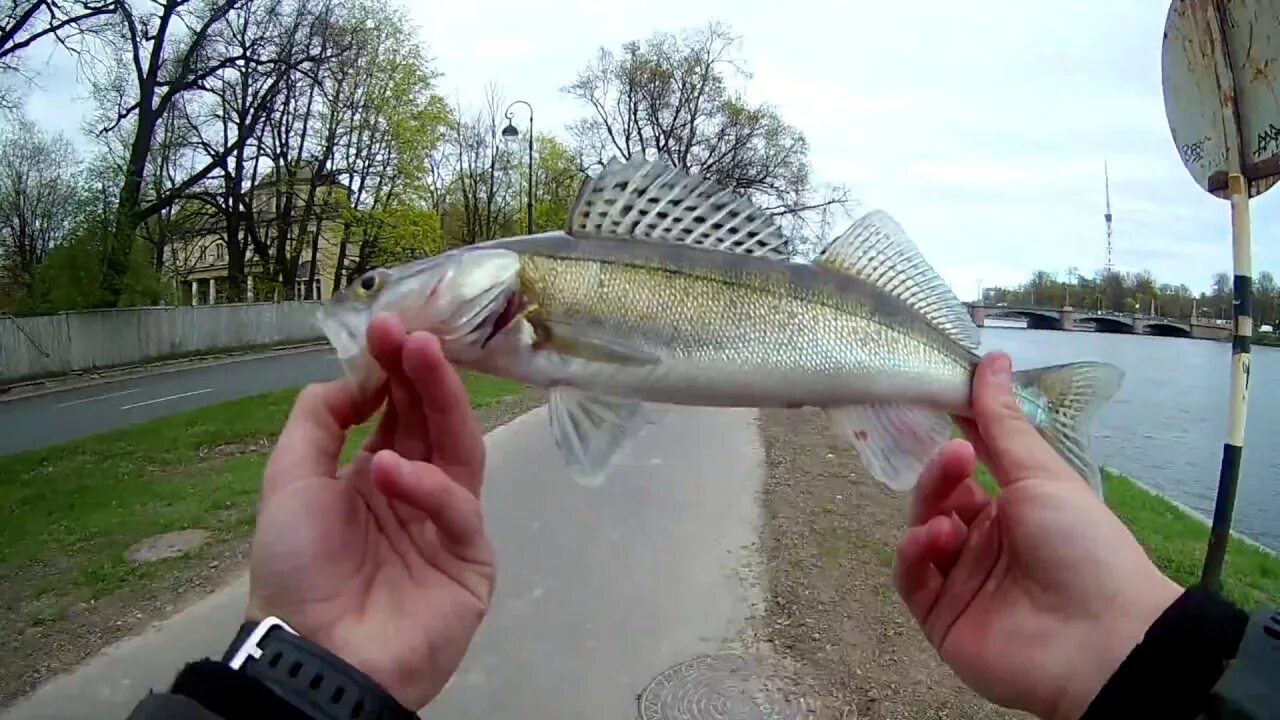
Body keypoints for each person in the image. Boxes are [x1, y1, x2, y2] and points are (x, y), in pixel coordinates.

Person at [124, 316, 1273, 720]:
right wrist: (1153, 665)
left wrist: (283, 693)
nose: (386, 307)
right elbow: (590, 397)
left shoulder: (533, 294)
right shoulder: (536, 336)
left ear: (496, 279)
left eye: (413, 280)